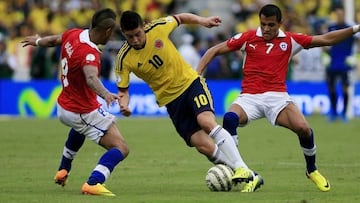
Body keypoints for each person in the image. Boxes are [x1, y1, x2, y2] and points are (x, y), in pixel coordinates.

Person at [197, 4, 360, 192]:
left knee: (304, 129)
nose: (266, 29)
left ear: (280, 23)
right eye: (263, 24)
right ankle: (241, 170)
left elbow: (326, 39)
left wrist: (356, 28)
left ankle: (312, 170)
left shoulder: (291, 40)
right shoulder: (248, 37)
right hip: (249, 97)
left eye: (271, 25)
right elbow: (213, 50)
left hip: (277, 98)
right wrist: (197, 73)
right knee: (229, 118)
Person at [115, 10, 263, 192]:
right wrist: (123, 104)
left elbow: (181, 18)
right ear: (123, 33)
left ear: (144, 27)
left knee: (206, 122)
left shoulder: (158, 27)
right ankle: (251, 176)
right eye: (130, 37)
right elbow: (123, 90)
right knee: (203, 146)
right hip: (171, 101)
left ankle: (241, 168)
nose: (135, 40)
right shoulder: (123, 58)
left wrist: (203, 21)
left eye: (138, 34)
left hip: (190, 84)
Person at [21, 8, 129, 196]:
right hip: (81, 110)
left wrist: (37, 41)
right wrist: (106, 94)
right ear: (108, 31)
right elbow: (91, 78)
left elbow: (54, 40)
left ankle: (63, 168)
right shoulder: (89, 53)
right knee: (121, 148)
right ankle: (93, 182)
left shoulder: (75, 33)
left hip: (64, 104)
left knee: (80, 128)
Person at [326, 5, 359, 122]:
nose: (340, 16)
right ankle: (334, 112)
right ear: (336, 14)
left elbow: (358, 41)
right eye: (338, 14)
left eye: (341, 14)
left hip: (345, 63)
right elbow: (325, 42)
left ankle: (344, 113)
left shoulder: (349, 28)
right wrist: (326, 55)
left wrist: (354, 57)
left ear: (344, 14)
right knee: (331, 88)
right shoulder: (331, 27)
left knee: (345, 89)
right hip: (333, 62)